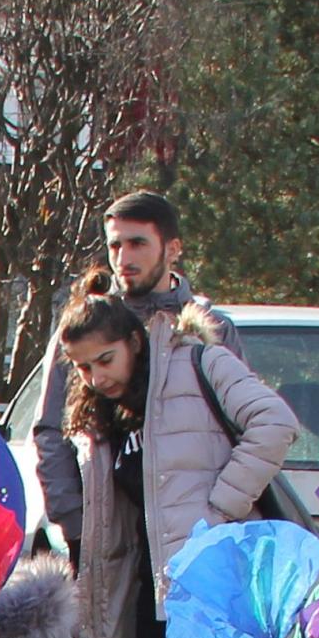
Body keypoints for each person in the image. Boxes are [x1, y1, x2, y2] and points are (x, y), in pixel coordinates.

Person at [58, 287, 293, 638]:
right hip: (154, 595)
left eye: (105, 360)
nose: (96, 377)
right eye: (83, 367)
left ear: (135, 341)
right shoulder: (106, 410)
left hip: (216, 589)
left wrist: (221, 507)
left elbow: (275, 422)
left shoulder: (199, 362)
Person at [34, 188, 240, 551]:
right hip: (110, 533)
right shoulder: (86, 325)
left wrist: (223, 508)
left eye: (137, 244)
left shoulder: (211, 329)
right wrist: (77, 526)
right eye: (115, 246)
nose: (123, 258)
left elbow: (244, 429)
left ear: (172, 249)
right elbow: (51, 431)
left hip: (193, 533)